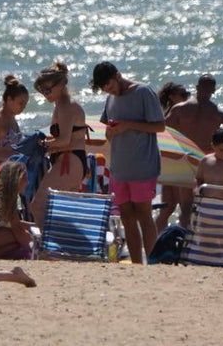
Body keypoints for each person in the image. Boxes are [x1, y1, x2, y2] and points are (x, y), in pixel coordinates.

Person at [94, 61, 165, 265]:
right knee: (126, 216)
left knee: (144, 214)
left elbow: (160, 126)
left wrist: (128, 125)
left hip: (143, 165)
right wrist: (112, 130)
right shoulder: (111, 99)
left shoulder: (143, 92)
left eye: (110, 86)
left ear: (117, 75)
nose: (110, 91)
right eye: (106, 89)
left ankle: (151, 261)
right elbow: (108, 131)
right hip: (119, 168)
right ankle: (136, 263)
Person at [163, 74, 223, 227]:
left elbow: (161, 132)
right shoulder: (218, 113)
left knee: (184, 208)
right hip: (207, 163)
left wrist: (170, 155)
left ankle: (180, 244)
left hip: (184, 161)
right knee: (206, 206)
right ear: (214, 90)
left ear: (196, 87)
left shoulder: (180, 109)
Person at [28, 62, 89, 223]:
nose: (45, 94)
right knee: (64, 215)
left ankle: (47, 247)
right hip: (73, 162)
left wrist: (40, 144)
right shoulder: (62, 105)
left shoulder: (66, 106)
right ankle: (66, 247)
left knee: (37, 206)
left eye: (47, 90)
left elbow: (64, 140)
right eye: (41, 91)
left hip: (69, 161)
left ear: (61, 84)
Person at [154, 81, 191, 231]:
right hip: (178, 164)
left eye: (187, 95)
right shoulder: (175, 113)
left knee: (167, 208)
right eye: (183, 95)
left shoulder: (167, 113)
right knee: (185, 208)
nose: (186, 98)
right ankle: (185, 244)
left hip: (168, 164)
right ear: (172, 96)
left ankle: (154, 242)